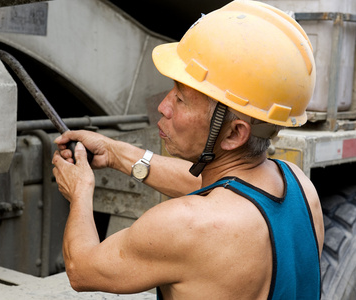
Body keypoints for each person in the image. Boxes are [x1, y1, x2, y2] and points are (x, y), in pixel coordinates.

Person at [52, 0, 324, 299]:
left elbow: (81, 268)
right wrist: (117, 154)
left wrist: (79, 190)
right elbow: (218, 189)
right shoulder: (301, 187)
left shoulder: (184, 225)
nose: (163, 106)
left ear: (234, 133)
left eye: (181, 100)